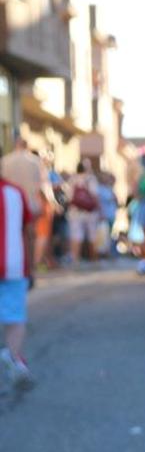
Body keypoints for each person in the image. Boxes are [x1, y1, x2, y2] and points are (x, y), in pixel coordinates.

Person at [0, 173, 32, 386]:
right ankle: (12, 356)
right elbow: (28, 230)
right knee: (14, 316)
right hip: (13, 262)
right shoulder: (15, 191)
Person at [1, 138, 47, 284]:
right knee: (28, 236)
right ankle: (29, 269)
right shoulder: (35, 161)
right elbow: (42, 184)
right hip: (27, 201)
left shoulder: (6, 161)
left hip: (7, 199)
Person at [65, 160, 102, 265]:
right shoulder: (91, 179)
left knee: (76, 235)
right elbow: (95, 195)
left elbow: (69, 197)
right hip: (90, 212)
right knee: (92, 235)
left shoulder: (72, 179)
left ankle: (75, 259)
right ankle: (94, 259)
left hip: (75, 211)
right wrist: (100, 209)